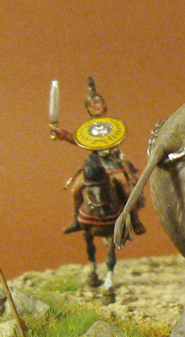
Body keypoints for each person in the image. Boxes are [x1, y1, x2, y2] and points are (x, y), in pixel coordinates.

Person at [50, 78, 144, 235]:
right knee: (76, 190)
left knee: (126, 190)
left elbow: (115, 138)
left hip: (113, 163)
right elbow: (78, 140)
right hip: (94, 165)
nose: (94, 106)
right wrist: (62, 134)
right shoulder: (88, 129)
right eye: (90, 105)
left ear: (104, 105)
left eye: (97, 102)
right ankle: (76, 220)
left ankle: (134, 219)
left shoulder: (112, 124)